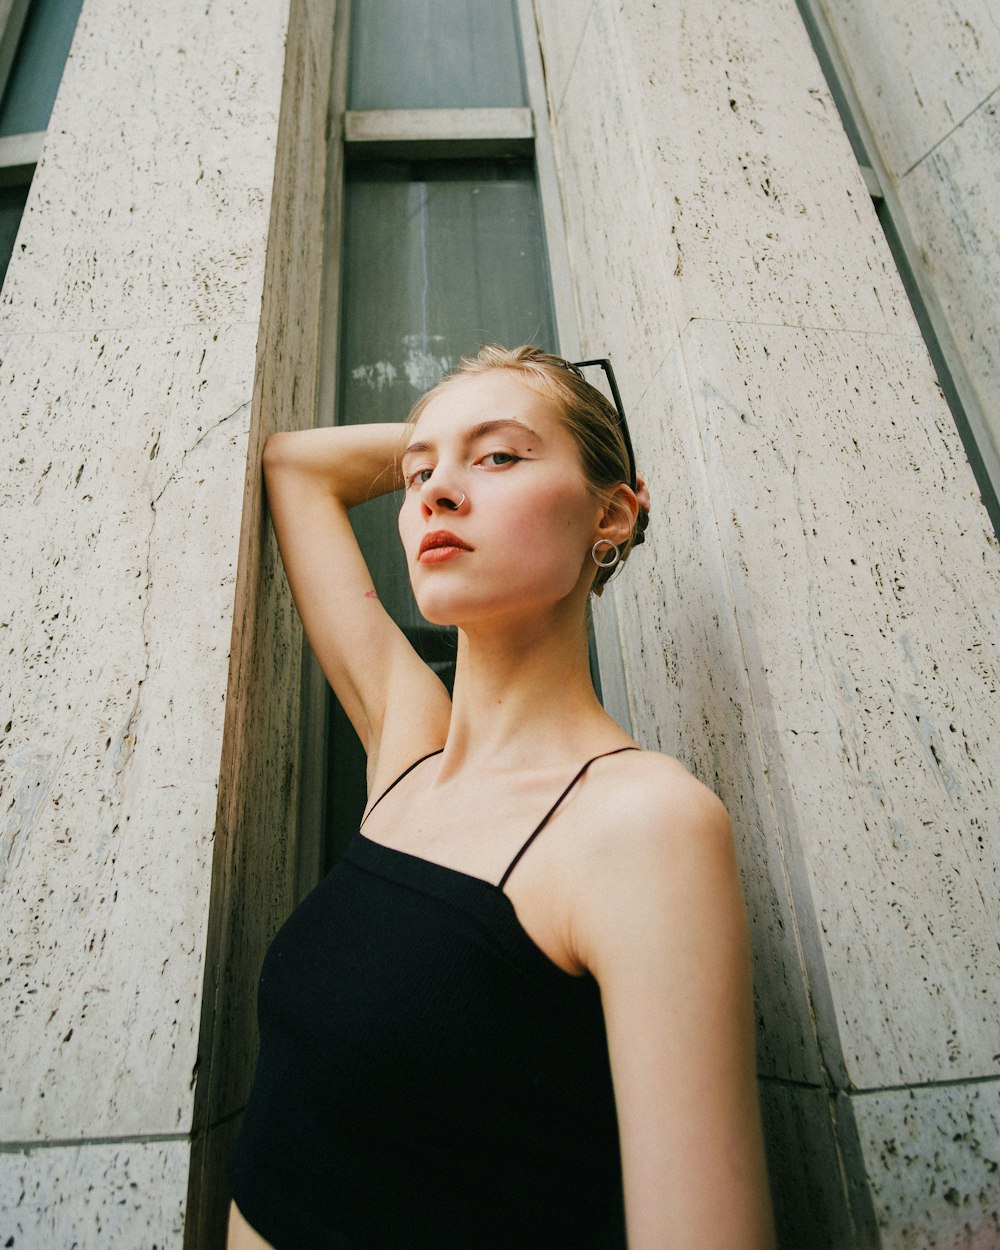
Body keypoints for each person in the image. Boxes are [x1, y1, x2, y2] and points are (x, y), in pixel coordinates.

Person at [227, 345, 776, 1249]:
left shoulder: (641, 822)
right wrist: (465, 434)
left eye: (500, 458)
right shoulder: (409, 750)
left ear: (612, 512)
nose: (435, 493)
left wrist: (487, 421)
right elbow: (294, 463)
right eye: (418, 474)